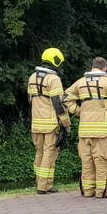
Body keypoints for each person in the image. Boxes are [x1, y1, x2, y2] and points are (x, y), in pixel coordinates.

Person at [64, 57, 107, 198]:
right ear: (104, 68)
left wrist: (78, 111)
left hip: (85, 129)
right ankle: (103, 192)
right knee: (102, 160)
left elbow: (65, 97)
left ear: (92, 67)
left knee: (87, 161)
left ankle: (88, 191)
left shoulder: (80, 82)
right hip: (103, 129)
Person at [26, 48, 71, 194]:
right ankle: (43, 187)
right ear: (56, 60)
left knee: (39, 153)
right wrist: (65, 122)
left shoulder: (32, 77)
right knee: (49, 153)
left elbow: (29, 100)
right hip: (51, 124)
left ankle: (44, 183)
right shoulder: (54, 79)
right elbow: (58, 103)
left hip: (36, 123)